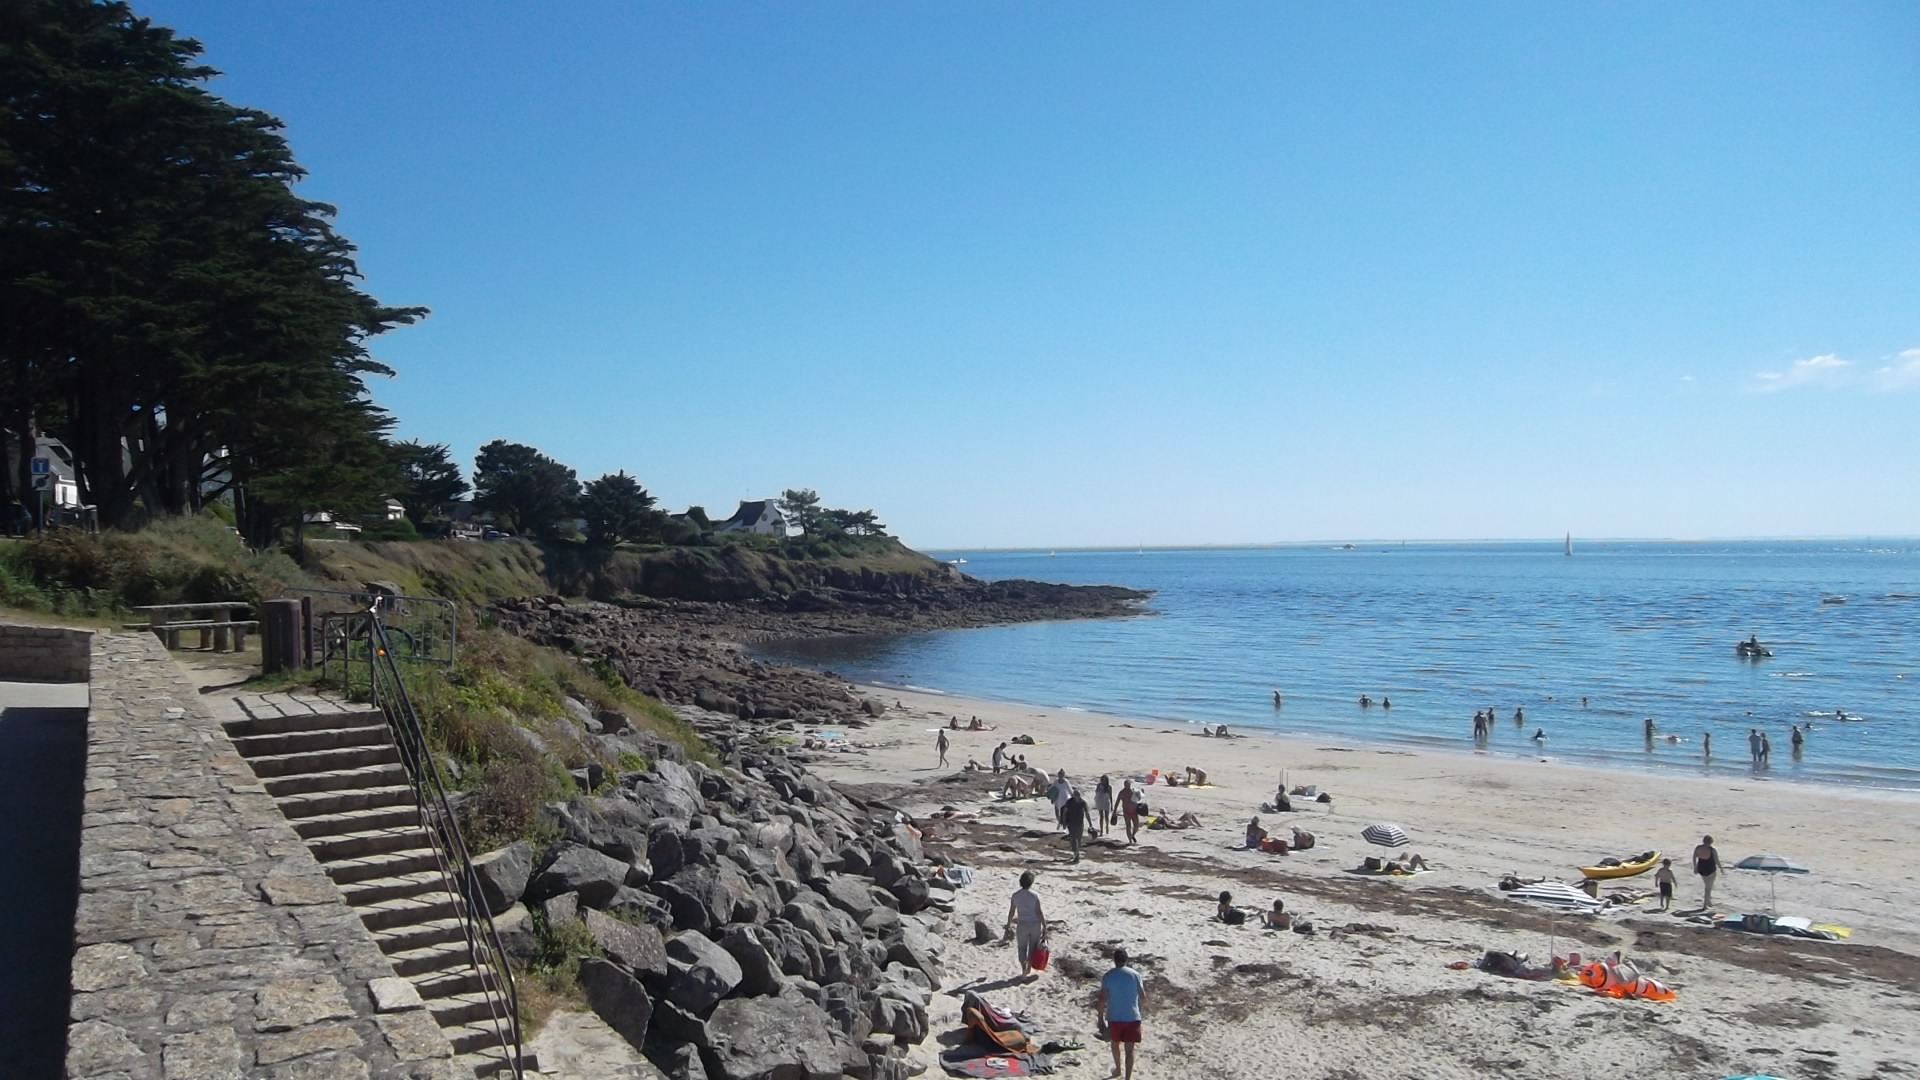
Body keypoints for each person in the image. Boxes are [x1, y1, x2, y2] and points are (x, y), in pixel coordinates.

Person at [1098, 948, 1147, 1080]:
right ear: (1126, 960)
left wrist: (1100, 1018)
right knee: (1130, 1050)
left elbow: (1102, 999)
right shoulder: (1135, 974)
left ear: (1114, 960)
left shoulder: (1108, 976)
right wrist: (1140, 1010)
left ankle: (1118, 1069)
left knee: (1115, 1044)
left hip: (1115, 1017)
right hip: (1132, 1016)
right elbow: (1143, 996)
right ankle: (1128, 1078)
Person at [1006, 872, 1048, 978]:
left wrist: (1008, 924)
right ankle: (1028, 968)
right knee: (1032, 948)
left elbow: (1012, 911)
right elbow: (1039, 912)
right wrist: (1044, 925)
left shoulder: (1015, 895)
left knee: (1021, 948)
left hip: (1022, 924)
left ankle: (1024, 968)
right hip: (1035, 925)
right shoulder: (1035, 895)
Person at [1694, 835, 1721, 909]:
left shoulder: (1698, 848)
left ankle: (1708, 902)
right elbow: (1717, 861)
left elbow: (1694, 858)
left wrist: (1695, 867)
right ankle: (1705, 905)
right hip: (1710, 870)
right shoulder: (1712, 850)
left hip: (1701, 869)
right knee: (1708, 888)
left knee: (1707, 885)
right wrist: (1721, 868)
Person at [1063, 788, 1090, 863]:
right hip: (1071, 823)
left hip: (1080, 823)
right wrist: (1064, 823)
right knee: (1072, 839)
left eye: (1078, 795)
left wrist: (1090, 823)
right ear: (1073, 795)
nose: (1077, 796)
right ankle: (1076, 853)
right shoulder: (1069, 802)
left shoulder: (1083, 803)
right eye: (1076, 795)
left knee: (1079, 839)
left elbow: (1087, 813)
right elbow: (1065, 812)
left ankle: (1077, 853)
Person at [1121, 779, 1142, 844]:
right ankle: (1130, 841)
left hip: (1134, 811)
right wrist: (1114, 810)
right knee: (1128, 826)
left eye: (1128, 784)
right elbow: (1117, 801)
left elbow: (1139, 798)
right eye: (1126, 784)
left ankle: (1132, 835)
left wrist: (1140, 793)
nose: (1127, 786)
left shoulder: (1133, 791)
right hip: (1126, 811)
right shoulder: (1122, 792)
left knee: (1136, 826)